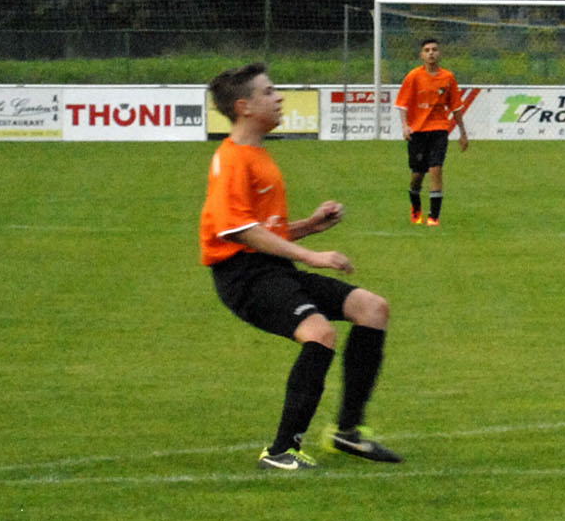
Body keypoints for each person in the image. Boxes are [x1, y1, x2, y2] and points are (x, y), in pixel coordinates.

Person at [201, 62, 401, 471]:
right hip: (244, 276)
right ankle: (280, 451)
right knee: (319, 333)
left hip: (273, 269)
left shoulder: (257, 155)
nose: (279, 98)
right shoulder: (232, 159)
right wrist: (313, 256)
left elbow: (263, 229)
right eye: (268, 92)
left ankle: (347, 432)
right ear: (244, 107)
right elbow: (238, 231)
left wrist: (309, 226)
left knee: (372, 309)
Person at [394, 37, 470, 225]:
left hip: (439, 130)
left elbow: (456, 108)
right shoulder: (413, 76)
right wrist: (405, 126)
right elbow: (402, 104)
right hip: (418, 131)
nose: (431, 53)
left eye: (434, 49)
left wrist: (463, 132)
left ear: (439, 53)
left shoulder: (448, 78)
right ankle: (416, 207)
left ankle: (433, 218)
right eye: (427, 50)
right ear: (422, 55)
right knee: (417, 176)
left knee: (436, 169)